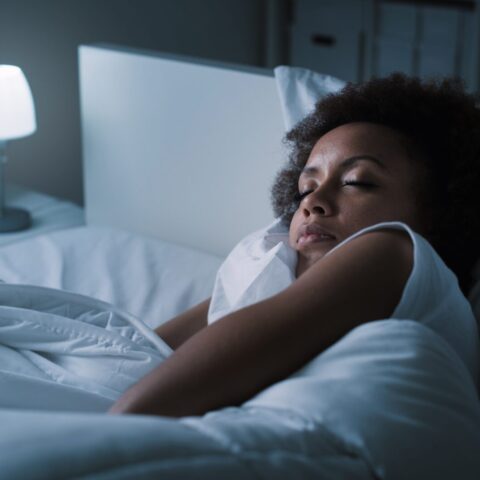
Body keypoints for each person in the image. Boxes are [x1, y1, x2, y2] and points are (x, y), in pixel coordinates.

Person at [109, 73, 480, 417]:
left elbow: (137, 409)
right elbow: (134, 355)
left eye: (357, 181)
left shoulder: (395, 252)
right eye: (307, 186)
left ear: (441, 210)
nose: (311, 202)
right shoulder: (272, 268)